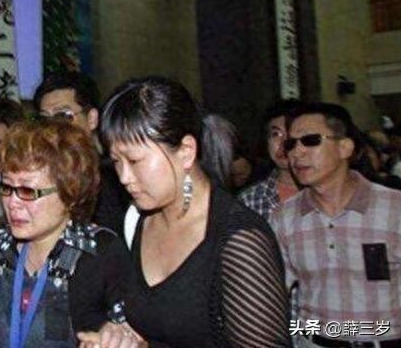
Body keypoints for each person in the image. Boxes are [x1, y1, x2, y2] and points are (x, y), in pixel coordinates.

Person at [82, 76, 290, 347]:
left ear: (186, 151)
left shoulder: (239, 240)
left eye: (134, 161)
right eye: (116, 162)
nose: (124, 177)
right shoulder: (137, 220)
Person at [0, 119, 124, 347]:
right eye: (6, 187)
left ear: (71, 193)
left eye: (27, 191)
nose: (12, 203)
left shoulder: (100, 254)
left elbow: (128, 334)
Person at [271, 102, 401, 347]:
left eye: (310, 140)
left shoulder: (395, 208)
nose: (297, 153)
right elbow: (272, 292)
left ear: (345, 147)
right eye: (291, 144)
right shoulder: (284, 217)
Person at [33, 73, 130, 236]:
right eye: (44, 120)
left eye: (62, 116)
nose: (52, 127)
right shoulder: (37, 177)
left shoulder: (117, 176)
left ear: (92, 119)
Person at [239, 100, 303, 220]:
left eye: (291, 133)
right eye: (276, 134)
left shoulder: (328, 192)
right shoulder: (250, 200)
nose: (284, 143)